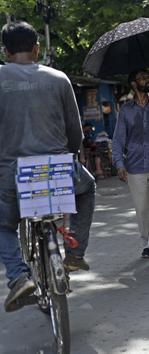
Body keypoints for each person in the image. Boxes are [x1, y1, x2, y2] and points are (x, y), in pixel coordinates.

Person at [0, 20, 96, 312]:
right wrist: (67, 158)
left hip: (12, 176)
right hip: (56, 170)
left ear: (5, 52)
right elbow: (74, 132)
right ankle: (75, 252)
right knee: (88, 186)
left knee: (3, 226)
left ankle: (18, 277)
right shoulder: (59, 78)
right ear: (37, 48)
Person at [111, 68, 149, 264]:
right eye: (143, 78)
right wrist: (119, 163)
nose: (148, 80)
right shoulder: (126, 111)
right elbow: (119, 139)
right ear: (134, 84)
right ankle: (147, 242)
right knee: (143, 209)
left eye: (148, 77)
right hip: (135, 165)